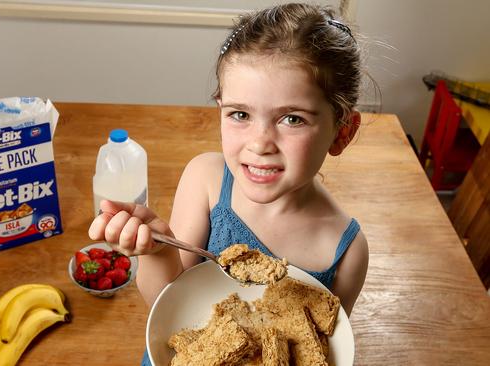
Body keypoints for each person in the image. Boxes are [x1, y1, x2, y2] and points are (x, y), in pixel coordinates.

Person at [89, 3, 369, 363]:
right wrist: (159, 252)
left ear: (341, 133)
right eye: (240, 114)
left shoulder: (346, 253)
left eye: (292, 119)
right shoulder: (206, 180)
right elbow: (168, 306)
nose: (259, 143)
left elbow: (325, 347)